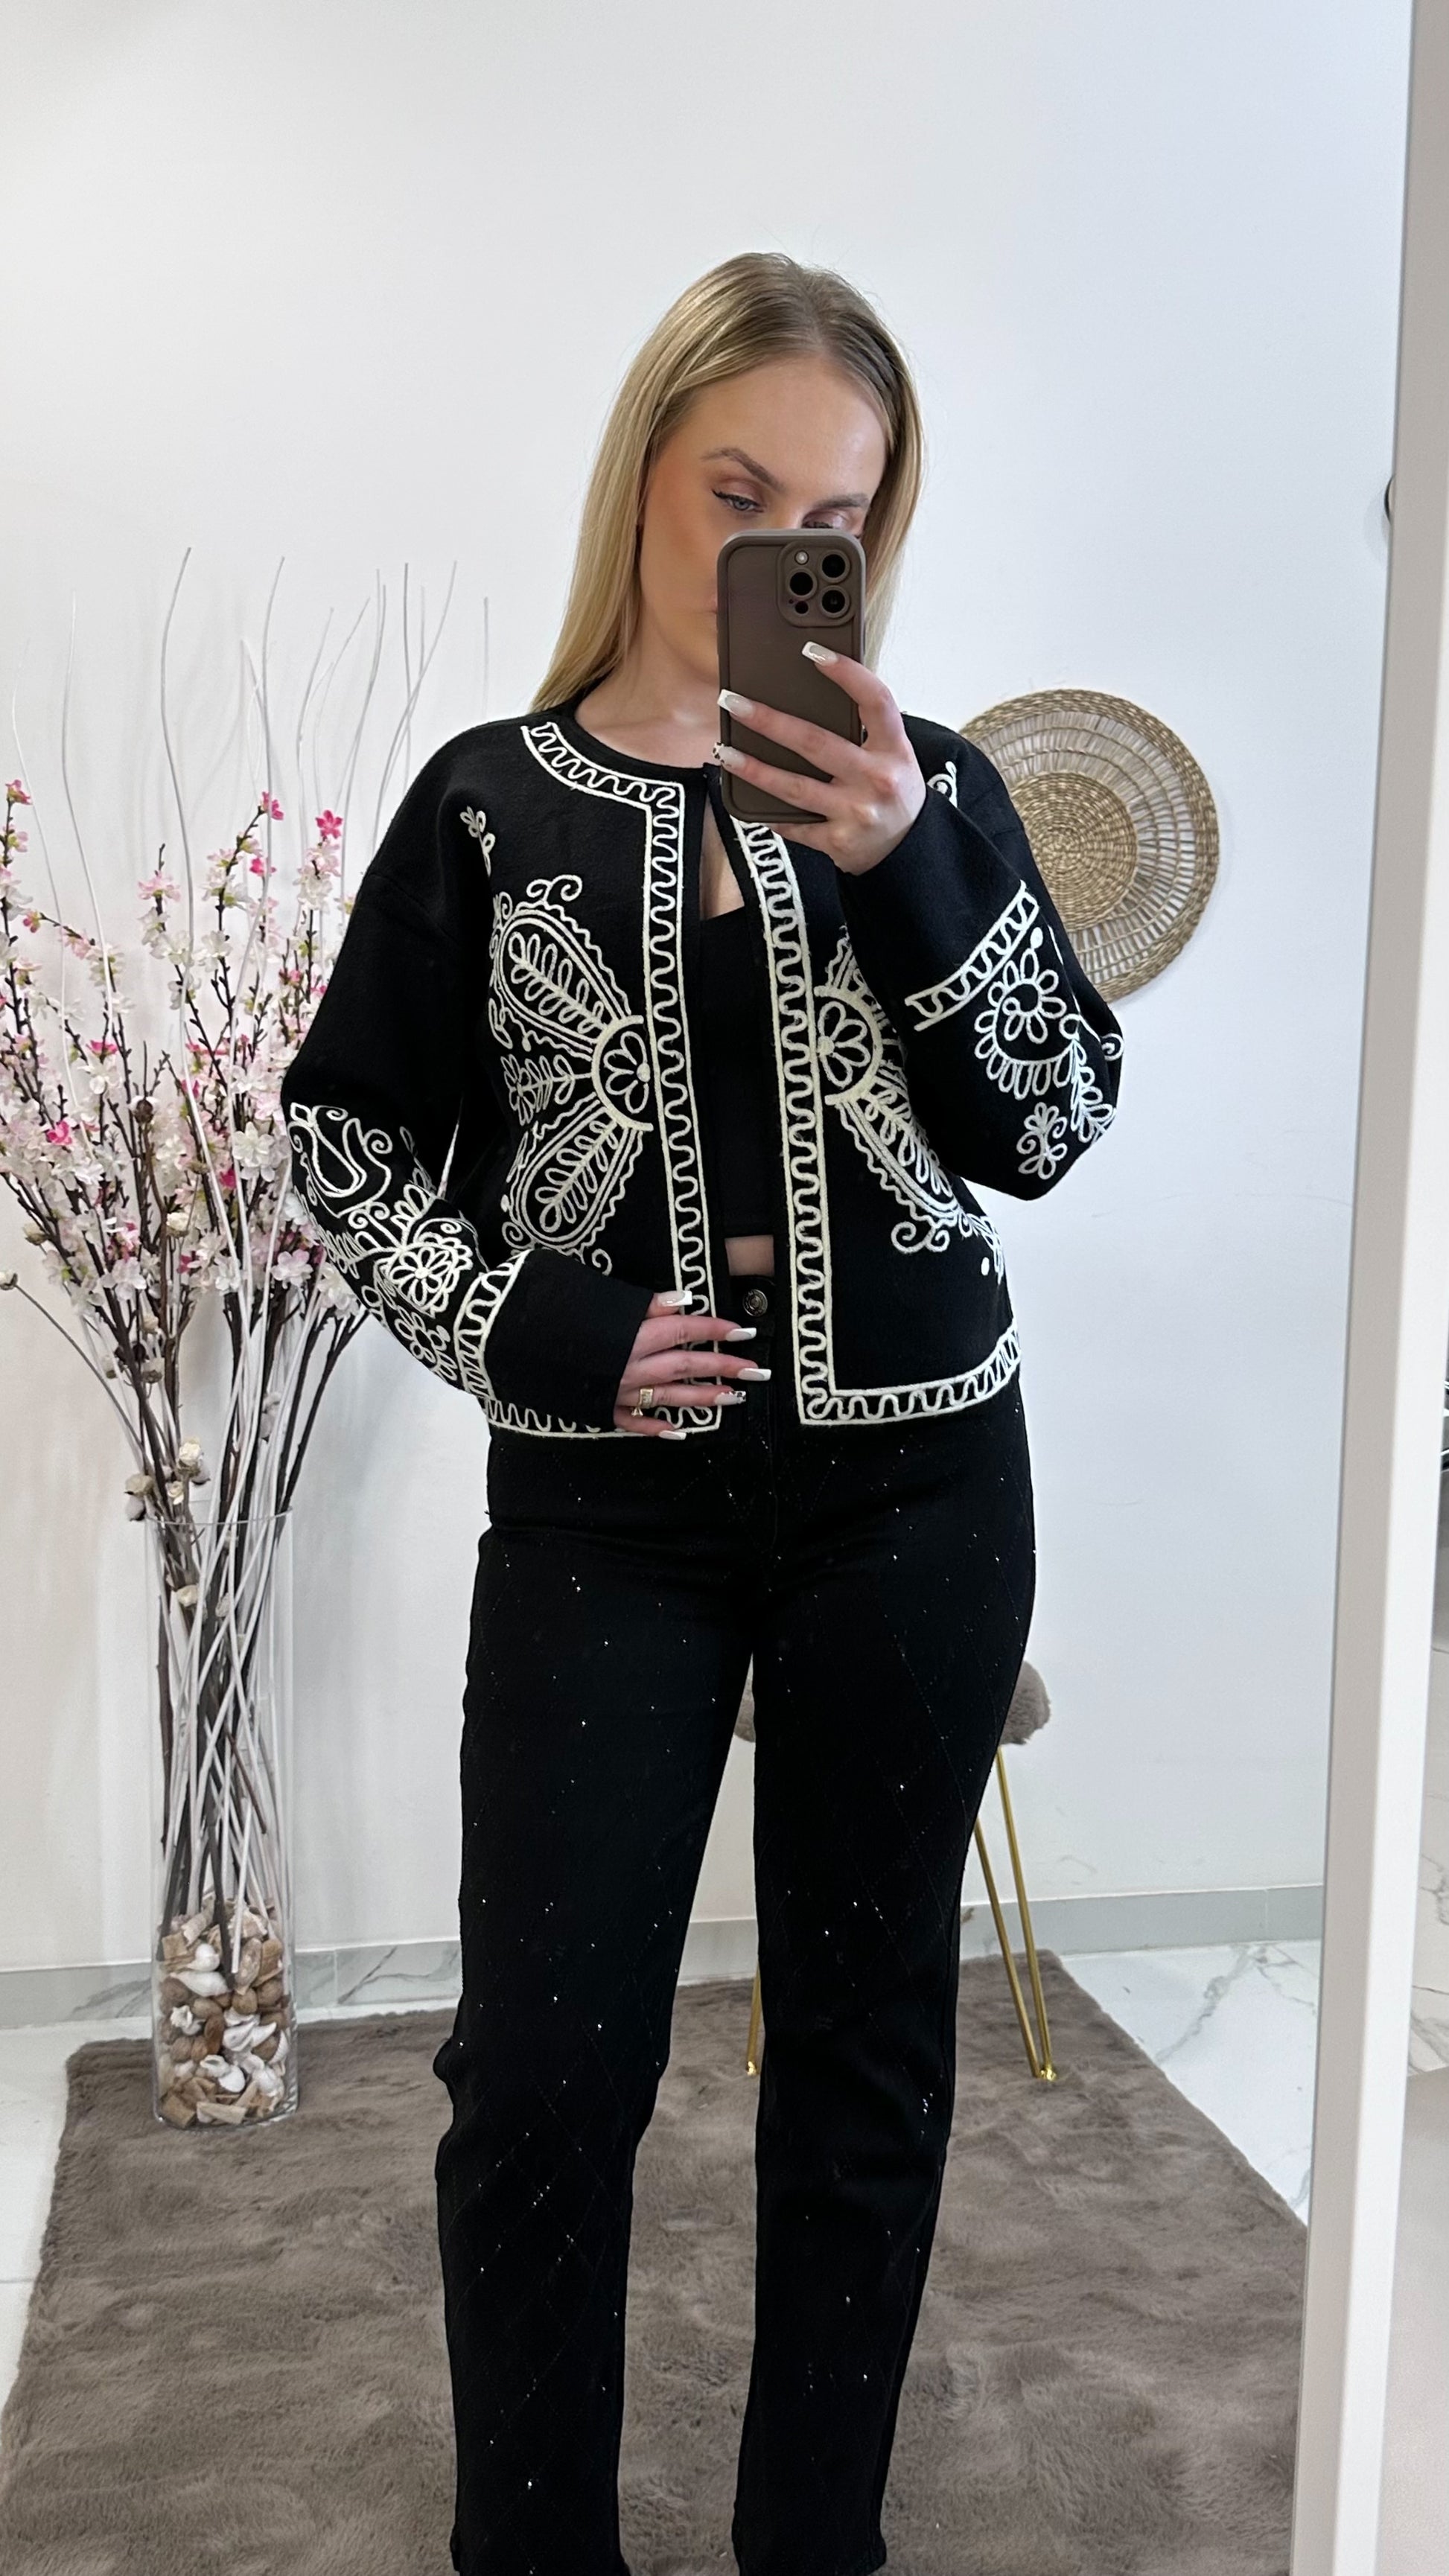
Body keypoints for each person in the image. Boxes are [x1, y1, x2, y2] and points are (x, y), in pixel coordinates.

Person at [278, 250, 1123, 2576]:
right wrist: (545, 1332)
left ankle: (809, 2547)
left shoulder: (930, 790)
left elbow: (1049, 1119)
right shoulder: (486, 807)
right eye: (737, 490)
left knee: (862, 2061)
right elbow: (343, 1140)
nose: (776, 544)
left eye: (828, 516)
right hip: (606, 1518)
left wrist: (906, 855)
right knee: (541, 2070)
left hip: (918, 1489)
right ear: (644, 469)